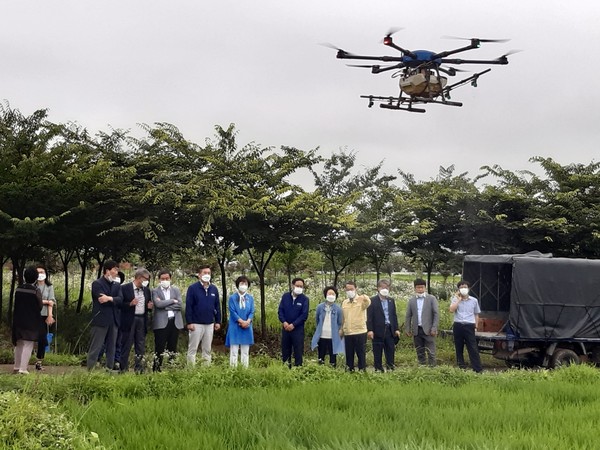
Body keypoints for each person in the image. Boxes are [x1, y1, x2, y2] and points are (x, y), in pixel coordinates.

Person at [86, 260, 123, 370]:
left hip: (114, 320)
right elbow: (101, 298)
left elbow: (120, 299)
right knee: (96, 346)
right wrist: (112, 299)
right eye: (115, 270)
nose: (116, 273)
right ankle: (90, 370)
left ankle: (109, 369)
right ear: (107, 271)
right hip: (101, 319)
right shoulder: (97, 283)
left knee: (111, 347)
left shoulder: (117, 285)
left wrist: (109, 298)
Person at [185, 265, 221, 366]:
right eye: (204, 273)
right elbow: (189, 306)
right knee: (193, 349)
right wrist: (189, 322)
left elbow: (217, 305)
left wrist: (218, 321)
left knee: (207, 349)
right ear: (199, 275)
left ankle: (206, 369)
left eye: (209, 273)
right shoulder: (193, 288)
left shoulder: (213, 289)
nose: (207, 275)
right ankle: (190, 370)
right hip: (196, 324)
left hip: (209, 323)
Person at [119, 268, 152, 373]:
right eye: (146, 279)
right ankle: (123, 368)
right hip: (129, 319)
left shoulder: (146, 290)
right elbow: (119, 304)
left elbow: (147, 306)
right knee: (126, 344)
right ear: (139, 278)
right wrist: (130, 304)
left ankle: (139, 368)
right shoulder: (125, 288)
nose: (147, 281)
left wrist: (149, 307)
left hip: (141, 318)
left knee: (140, 345)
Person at [12, 266, 43, 374]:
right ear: (36, 278)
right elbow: (40, 305)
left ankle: (16, 367)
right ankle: (23, 369)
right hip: (31, 320)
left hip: (18, 319)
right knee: (28, 343)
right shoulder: (36, 290)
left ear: (25, 276)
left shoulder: (18, 288)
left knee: (19, 343)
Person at [152, 269, 184, 371]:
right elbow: (158, 304)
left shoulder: (176, 290)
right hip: (161, 323)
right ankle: (156, 369)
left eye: (167, 278)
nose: (165, 280)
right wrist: (171, 301)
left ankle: (171, 368)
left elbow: (179, 305)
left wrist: (165, 306)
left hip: (174, 322)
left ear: (170, 279)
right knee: (159, 347)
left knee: (172, 347)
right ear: (159, 280)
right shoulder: (155, 291)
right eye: (163, 279)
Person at [367, 279, 401, 372]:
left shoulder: (391, 300)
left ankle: (390, 367)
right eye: (382, 287)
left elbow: (394, 315)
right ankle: (378, 369)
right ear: (378, 288)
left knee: (390, 350)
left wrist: (396, 328)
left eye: (386, 287)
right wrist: (370, 330)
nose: (384, 289)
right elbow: (369, 317)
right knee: (377, 351)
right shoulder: (372, 301)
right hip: (377, 330)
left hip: (390, 329)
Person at [449, 280, 482, 373]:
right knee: (458, 347)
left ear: (469, 288)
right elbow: (451, 310)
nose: (463, 289)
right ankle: (461, 367)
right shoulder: (455, 299)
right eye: (461, 287)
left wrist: (476, 326)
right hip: (458, 325)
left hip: (469, 325)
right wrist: (458, 300)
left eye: (465, 287)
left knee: (472, 347)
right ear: (458, 289)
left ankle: (477, 369)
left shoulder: (474, 300)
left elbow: (476, 314)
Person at [405, 278, 439, 366]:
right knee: (420, 351)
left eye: (422, 287)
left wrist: (434, 328)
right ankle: (422, 368)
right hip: (417, 330)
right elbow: (408, 315)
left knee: (431, 352)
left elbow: (436, 314)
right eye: (418, 288)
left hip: (429, 330)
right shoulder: (412, 300)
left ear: (425, 288)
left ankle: (432, 369)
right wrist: (408, 329)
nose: (420, 289)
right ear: (415, 288)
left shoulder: (431, 299)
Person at [278, 277, 309, 367]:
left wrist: (293, 324)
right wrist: (284, 322)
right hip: (286, 328)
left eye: (301, 286)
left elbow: (304, 315)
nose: (299, 288)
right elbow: (280, 311)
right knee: (285, 350)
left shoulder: (304, 299)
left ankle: (298, 370)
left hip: (297, 330)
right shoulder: (285, 296)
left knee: (298, 351)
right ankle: (286, 369)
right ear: (292, 286)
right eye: (297, 286)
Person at [225, 275, 255, 368]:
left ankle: (244, 370)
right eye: (242, 283)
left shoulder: (250, 298)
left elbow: (252, 311)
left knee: (245, 351)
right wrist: (241, 321)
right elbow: (232, 311)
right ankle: (233, 370)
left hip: (247, 327)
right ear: (238, 285)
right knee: (234, 351)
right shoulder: (232, 298)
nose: (243, 285)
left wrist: (248, 321)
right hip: (235, 326)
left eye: (245, 283)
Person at [310, 286, 344, 367]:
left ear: (336, 296)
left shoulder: (338, 308)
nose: (331, 295)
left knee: (333, 356)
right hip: (322, 336)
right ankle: (321, 371)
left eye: (333, 294)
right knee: (321, 355)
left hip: (333, 337)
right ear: (325, 295)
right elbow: (317, 320)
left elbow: (339, 322)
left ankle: (333, 370)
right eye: (329, 293)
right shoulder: (320, 307)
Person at [341, 281, 371, 371]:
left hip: (360, 332)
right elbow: (343, 318)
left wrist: (364, 296)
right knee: (349, 354)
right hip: (348, 332)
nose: (349, 291)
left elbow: (368, 302)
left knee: (361, 354)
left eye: (351, 289)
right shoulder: (344, 302)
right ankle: (349, 371)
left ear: (355, 289)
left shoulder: (361, 300)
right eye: (347, 289)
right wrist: (342, 329)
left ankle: (362, 371)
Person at [34, 265, 55, 371]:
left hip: (44, 315)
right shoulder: (33, 286)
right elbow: (33, 300)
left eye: (42, 272)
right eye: (38, 272)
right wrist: (46, 301)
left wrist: (50, 315)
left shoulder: (49, 286)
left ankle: (39, 362)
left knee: (43, 339)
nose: (40, 274)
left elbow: (52, 302)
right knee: (33, 338)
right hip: (33, 315)